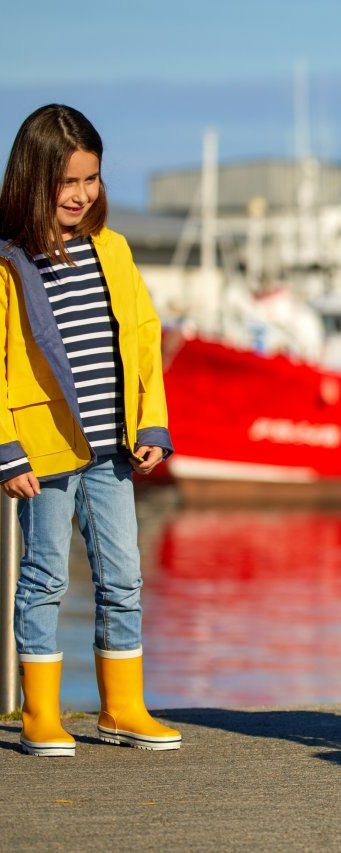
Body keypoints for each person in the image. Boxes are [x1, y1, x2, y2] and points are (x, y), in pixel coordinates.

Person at [0, 104, 181, 756]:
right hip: (43, 452)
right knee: (46, 575)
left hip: (111, 449)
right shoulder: (9, 262)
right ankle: (39, 713)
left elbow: (142, 335)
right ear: (33, 177)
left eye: (92, 179)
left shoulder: (113, 249)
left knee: (124, 574)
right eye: (67, 181)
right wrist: (6, 449)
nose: (81, 195)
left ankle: (123, 706)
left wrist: (151, 420)